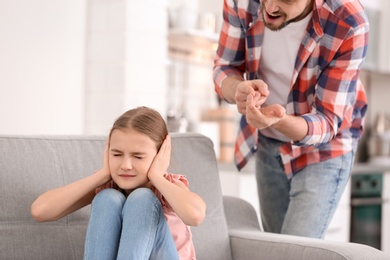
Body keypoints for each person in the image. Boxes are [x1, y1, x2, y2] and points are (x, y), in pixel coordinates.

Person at [213, 0, 369, 239]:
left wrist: (279, 120)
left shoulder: (348, 22)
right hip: (267, 142)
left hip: (324, 150)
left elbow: (327, 121)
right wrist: (237, 90)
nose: (272, 7)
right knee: (277, 247)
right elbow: (225, 67)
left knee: (296, 251)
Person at [31, 106, 206, 260]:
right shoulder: (108, 185)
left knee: (142, 198)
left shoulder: (167, 185)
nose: (125, 165)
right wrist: (102, 175)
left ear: (160, 155)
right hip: (109, 195)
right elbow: (40, 211)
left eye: (138, 156)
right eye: (116, 154)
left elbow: (195, 216)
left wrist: (157, 177)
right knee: (107, 198)